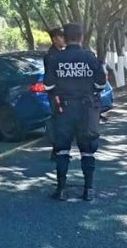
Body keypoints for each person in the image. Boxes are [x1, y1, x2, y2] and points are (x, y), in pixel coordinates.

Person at [43, 23, 106, 201]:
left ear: (65, 37)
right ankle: (89, 190)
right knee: (88, 150)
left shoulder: (56, 58)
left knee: (62, 149)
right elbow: (101, 84)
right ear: (81, 37)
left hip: (64, 109)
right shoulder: (89, 57)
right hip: (87, 110)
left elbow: (48, 85)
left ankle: (61, 190)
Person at [44, 27, 66, 160]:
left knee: (62, 120)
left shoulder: (59, 53)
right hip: (56, 93)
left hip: (61, 92)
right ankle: (56, 150)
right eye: (61, 37)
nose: (64, 39)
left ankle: (60, 149)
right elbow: (52, 77)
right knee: (58, 120)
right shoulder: (52, 55)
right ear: (55, 39)